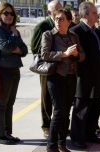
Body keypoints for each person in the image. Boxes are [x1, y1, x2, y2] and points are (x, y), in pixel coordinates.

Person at [41, 9, 85, 152]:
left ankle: (62, 143)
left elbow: (83, 56)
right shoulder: (48, 35)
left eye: (61, 19)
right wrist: (64, 54)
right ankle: (51, 145)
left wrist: (77, 54)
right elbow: (45, 54)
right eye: (56, 18)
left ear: (69, 21)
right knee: (59, 111)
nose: (58, 22)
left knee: (66, 112)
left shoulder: (73, 36)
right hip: (56, 77)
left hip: (71, 77)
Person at [69, 2, 100, 149]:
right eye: (94, 13)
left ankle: (90, 133)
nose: (97, 15)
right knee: (81, 110)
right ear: (85, 15)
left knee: (95, 107)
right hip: (83, 77)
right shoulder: (76, 31)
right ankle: (77, 138)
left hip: (98, 76)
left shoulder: (97, 31)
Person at [0, 2, 28, 145]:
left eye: (12, 13)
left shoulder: (12, 30)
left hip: (14, 70)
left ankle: (7, 132)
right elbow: (5, 47)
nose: (10, 16)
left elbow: (24, 50)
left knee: (10, 103)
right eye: (6, 13)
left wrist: (16, 48)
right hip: (2, 70)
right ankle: (0, 135)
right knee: (0, 104)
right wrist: (14, 36)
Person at [30, 0, 62, 139]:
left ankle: (59, 125)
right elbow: (35, 47)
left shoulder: (65, 23)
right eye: (56, 10)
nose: (60, 12)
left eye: (61, 9)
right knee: (46, 97)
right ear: (49, 12)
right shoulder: (43, 26)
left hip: (62, 67)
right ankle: (46, 126)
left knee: (60, 98)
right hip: (47, 67)